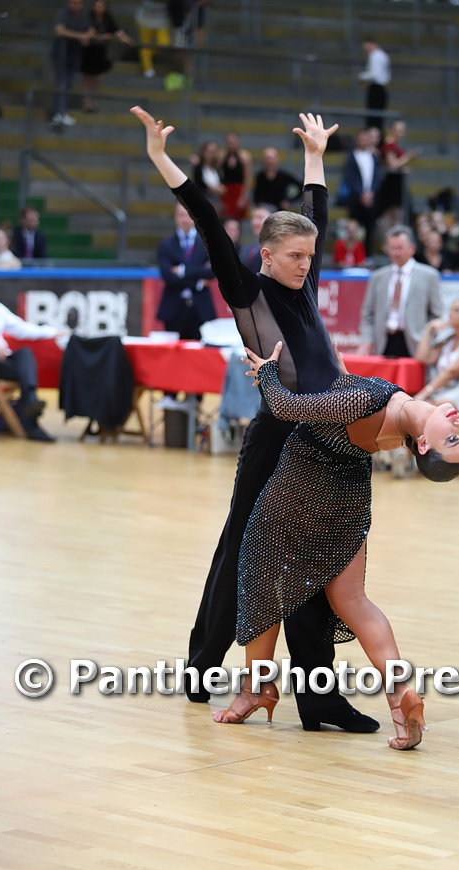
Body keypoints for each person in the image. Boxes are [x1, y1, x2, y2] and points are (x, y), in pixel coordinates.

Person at [131, 105, 380, 733]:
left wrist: (316, 157)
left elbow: (315, 212)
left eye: (310, 256)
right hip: (276, 438)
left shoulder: (304, 283)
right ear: (266, 255)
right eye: (294, 256)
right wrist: (161, 158)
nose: (306, 265)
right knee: (242, 550)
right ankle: (202, 667)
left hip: (323, 434)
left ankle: (318, 699)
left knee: (318, 561)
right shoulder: (247, 291)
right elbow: (208, 221)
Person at [210, 339, 459, 749]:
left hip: (300, 490)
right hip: (348, 501)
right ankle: (399, 694)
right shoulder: (396, 416)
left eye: (454, 440)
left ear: (423, 445)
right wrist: (337, 370)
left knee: (262, 582)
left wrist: (267, 373)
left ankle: (255, 690)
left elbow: (285, 407)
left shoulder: (368, 404)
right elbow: (345, 403)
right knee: (353, 601)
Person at [358, 225, 442, 358]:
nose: (396, 253)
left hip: (416, 344)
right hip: (383, 343)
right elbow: (367, 314)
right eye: (392, 248)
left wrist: (428, 342)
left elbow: (436, 315)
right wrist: (367, 340)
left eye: (400, 248)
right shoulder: (378, 277)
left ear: (411, 248)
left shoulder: (429, 276)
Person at [0, 300, 62, 441]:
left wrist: (51, 332)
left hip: (2, 362)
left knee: (25, 353)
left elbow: (21, 328)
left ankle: (30, 400)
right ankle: (31, 423)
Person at [156, 203, 215, 338]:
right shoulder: (166, 245)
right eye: (181, 215)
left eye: (188, 215)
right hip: (173, 309)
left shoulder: (207, 243)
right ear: (175, 217)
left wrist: (182, 270)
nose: (184, 219)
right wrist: (198, 282)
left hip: (201, 308)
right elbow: (167, 276)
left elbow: (212, 271)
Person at [81, 1, 132, 112]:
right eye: (97, 6)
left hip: (101, 52)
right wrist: (100, 37)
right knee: (87, 78)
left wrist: (127, 40)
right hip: (89, 51)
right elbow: (88, 32)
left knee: (98, 78)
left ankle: (94, 101)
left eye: (101, 6)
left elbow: (117, 31)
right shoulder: (88, 18)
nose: (99, 8)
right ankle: (87, 102)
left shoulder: (108, 18)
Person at [51, 0, 93, 126]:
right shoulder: (63, 13)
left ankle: (62, 112)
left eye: (78, 3)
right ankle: (59, 113)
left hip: (75, 54)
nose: (76, 5)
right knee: (62, 83)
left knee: (69, 84)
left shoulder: (83, 15)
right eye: (73, 3)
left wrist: (86, 36)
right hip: (61, 53)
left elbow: (91, 30)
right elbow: (60, 30)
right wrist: (80, 36)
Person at [341, 129, 381, 258]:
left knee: (370, 227)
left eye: (366, 138)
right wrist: (361, 193)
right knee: (353, 227)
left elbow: (377, 177)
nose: (364, 141)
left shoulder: (374, 156)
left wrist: (371, 192)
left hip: (371, 197)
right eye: (362, 138)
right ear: (357, 140)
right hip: (356, 198)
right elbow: (350, 178)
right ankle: (352, 255)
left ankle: (367, 255)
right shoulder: (351, 156)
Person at [377, 119, 420, 228]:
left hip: (396, 182)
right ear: (391, 130)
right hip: (391, 184)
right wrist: (408, 156)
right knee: (391, 217)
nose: (401, 134)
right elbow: (392, 164)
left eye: (402, 131)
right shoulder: (389, 144)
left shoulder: (394, 144)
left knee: (396, 216)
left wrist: (403, 169)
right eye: (398, 130)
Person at [359, 39, 390, 133]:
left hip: (376, 89)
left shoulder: (375, 55)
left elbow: (375, 74)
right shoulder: (382, 55)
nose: (366, 50)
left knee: (373, 118)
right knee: (377, 118)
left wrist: (362, 76)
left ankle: (373, 137)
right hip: (380, 89)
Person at [219, 132, 253, 220]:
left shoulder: (244, 156)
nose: (231, 144)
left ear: (238, 142)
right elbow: (216, 172)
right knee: (224, 218)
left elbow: (247, 178)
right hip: (225, 190)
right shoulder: (222, 155)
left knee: (238, 219)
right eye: (229, 142)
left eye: (233, 142)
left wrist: (243, 197)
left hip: (239, 190)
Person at [135, 0, 171, 77]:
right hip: (145, 20)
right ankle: (148, 69)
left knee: (164, 43)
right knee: (145, 45)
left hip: (161, 20)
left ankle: (148, 56)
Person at [190, 140, 225, 213]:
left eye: (214, 152)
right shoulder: (199, 167)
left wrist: (221, 188)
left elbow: (222, 182)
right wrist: (213, 188)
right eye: (209, 152)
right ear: (204, 153)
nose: (211, 155)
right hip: (203, 199)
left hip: (216, 200)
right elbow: (199, 184)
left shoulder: (217, 168)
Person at [239, 204, 272, 273]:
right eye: (253, 218)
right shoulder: (248, 247)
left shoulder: (277, 247)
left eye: (260, 218)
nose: (254, 222)